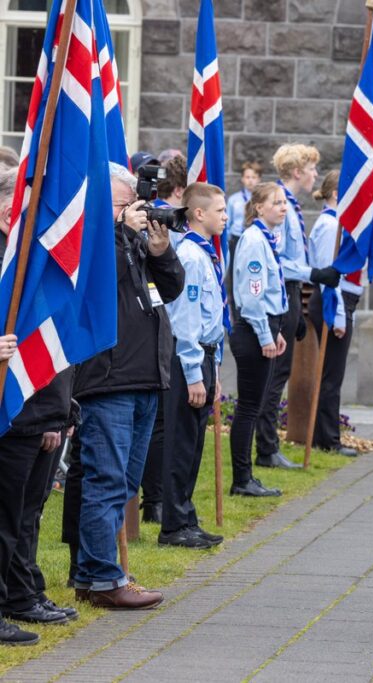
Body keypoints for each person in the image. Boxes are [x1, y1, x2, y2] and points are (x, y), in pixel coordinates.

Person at [72, 163, 184, 610]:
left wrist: (159, 250)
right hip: (109, 379)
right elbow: (97, 285)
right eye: (125, 205)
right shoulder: (92, 243)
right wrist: (119, 228)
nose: (137, 211)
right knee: (106, 480)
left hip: (144, 376)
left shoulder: (133, 243)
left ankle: (92, 570)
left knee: (124, 483)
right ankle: (103, 578)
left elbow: (170, 288)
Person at [0, 169, 78, 645]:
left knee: (22, 516)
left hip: (37, 408)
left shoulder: (35, 257)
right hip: (12, 411)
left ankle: (16, 594)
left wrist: (57, 411)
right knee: (5, 519)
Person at [254, 144, 340, 470]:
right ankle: (266, 447)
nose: (315, 175)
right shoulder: (283, 208)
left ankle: (269, 445)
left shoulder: (291, 206)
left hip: (291, 292)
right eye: (311, 169)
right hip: (284, 291)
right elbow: (281, 261)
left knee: (282, 371)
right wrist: (314, 274)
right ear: (296, 172)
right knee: (276, 375)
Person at [156, 182, 230, 549]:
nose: (225, 216)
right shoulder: (190, 256)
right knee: (182, 442)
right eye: (220, 210)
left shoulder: (206, 253)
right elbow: (184, 318)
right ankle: (172, 524)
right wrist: (192, 372)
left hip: (205, 353)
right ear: (198, 213)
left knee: (194, 442)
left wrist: (212, 368)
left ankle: (185, 516)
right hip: (189, 353)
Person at [228, 183, 289, 497]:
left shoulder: (266, 238)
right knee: (249, 407)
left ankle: (246, 476)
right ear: (259, 207)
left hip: (265, 326)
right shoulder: (254, 241)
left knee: (254, 404)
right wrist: (265, 335)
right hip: (252, 331)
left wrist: (274, 330)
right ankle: (242, 478)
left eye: (283, 202)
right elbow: (252, 298)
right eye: (276, 202)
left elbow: (267, 292)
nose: (283, 207)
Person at [139, 154, 191, 523]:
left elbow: (171, 288)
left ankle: (155, 498)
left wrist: (160, 250)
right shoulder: (119, 237)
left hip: (155, 343)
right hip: (134, 351)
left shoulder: (153, 239)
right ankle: (153, 500)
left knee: (157, 425)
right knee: (155, 429)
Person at [307, 172, 361, 456]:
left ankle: (324, 435)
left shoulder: (336, 224)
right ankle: (327, 440)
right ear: (336, 195)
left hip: (339, 300)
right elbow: (331, 275)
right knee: (331, 376)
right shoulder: (331, 226)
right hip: (333, 301)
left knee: (332, 374)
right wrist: (338, 316)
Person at [227, 161, 262, 259]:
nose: (250, 180)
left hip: (256, 239)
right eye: (247, 177)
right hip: (236, 238)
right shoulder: (233, 199)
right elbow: (228, 222)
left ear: (259, 179)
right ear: (242, 179)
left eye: (254, 177)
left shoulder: (262, 200)